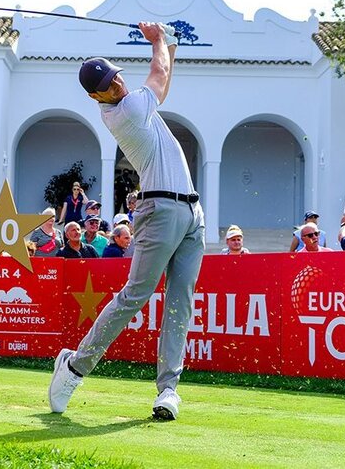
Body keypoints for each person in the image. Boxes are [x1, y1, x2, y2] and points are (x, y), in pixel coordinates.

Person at [49, 22, 205, 421]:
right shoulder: (126, 111)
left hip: (192, 213)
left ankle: (168, 390)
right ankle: (76, 366)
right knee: (135, 295)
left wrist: (169, 43)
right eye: (107, 84)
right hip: (159, 211)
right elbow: (161, 74)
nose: (115, 84)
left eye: (116, 76)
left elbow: (164, 77)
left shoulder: (139, 104)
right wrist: (157, 41)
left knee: (180, 304)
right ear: (94, 96)